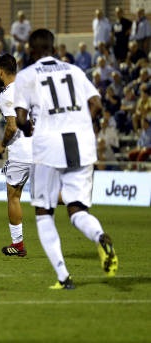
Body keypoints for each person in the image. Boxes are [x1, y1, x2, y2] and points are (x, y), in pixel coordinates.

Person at [14, 28, 118, 290]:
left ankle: (64, 277)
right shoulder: (74, 71)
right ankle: (100, 236)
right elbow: (96, 103)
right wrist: (82, 123)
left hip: (49, 145)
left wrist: (28, 130)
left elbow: (21, 119)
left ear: (31, 50)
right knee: (77, 209)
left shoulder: (26, 76)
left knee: (44, 212)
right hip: (81, 144)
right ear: (54, 47)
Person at [0, 54, 33, 257]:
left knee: (13, 195)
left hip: (21, 152)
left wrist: (2, 144)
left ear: (0, 70)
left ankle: (17, 244)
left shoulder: (4, 95)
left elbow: (11, 125)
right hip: (42, 148)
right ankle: (76, 201)